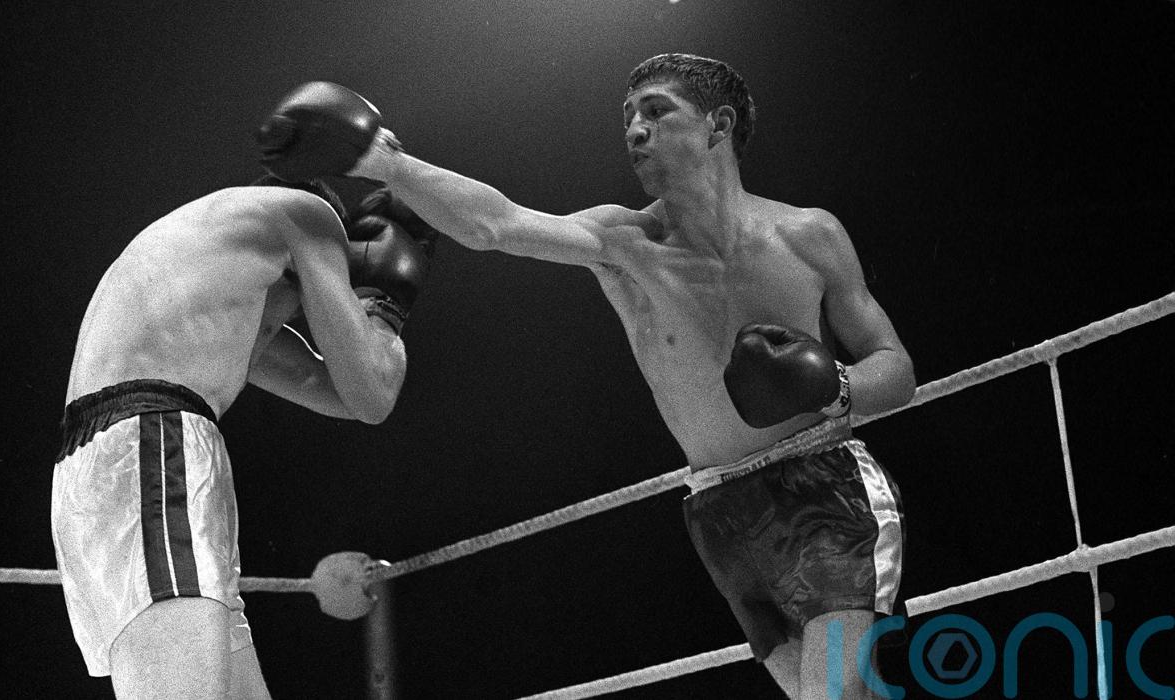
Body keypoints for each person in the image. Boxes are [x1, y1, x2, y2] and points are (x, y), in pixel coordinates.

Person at [280, 55, 914, 697]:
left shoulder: (810, 235)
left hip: (823, 486)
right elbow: (497, 225)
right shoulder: (624, 242)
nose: (636, 129)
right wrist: (385, 163)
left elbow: (896, 370)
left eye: (657, 111)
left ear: (718, 125)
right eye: (628, 117)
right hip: (720, 510)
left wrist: (834, 387)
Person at [51, 147, 437, 697]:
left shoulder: (205, 283)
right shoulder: (308, 217)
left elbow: (333, 390)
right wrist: (382, 305)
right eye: (311, 295)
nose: (304, 314)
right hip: (154, 451)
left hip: (110, 469)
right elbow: (373, 393)